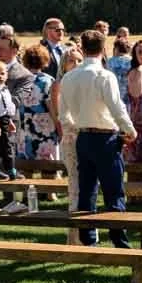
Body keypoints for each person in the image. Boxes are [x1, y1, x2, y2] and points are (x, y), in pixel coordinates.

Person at [58, 29, 137, 247]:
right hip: (106, 138)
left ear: (82, 49)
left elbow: (63, 114)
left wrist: (78, 126)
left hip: (83, 138)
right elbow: (116, 107)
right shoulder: (104, 76)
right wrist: (130, 130)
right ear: (103, 49)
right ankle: (119, 240)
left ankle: (88, 239)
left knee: (87, 190)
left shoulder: (68, 77)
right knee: (113, 191)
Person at [50, 45, 84, 234]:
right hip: (71, 137)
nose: (76, 64)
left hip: (87, 137)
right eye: (72, 61)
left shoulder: (84, 82)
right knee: (75, 184)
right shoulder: (59, 84)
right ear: (64, 65)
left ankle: (87, 232)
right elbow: (61, 116)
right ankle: (74, 233)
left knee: (87, 185)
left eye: (79, 60)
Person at [18, 47, 59, 161]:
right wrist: (58, 124)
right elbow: (51, 105)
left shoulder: (19, 80)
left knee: (26, 168)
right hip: (44, 127)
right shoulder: (48, 80)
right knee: (49, 169)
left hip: (24, 126)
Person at [106, 36, 133, 100]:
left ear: (116, 49)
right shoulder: (132, 61)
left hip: (114, 94)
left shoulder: (110, 61)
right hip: (129, 94)